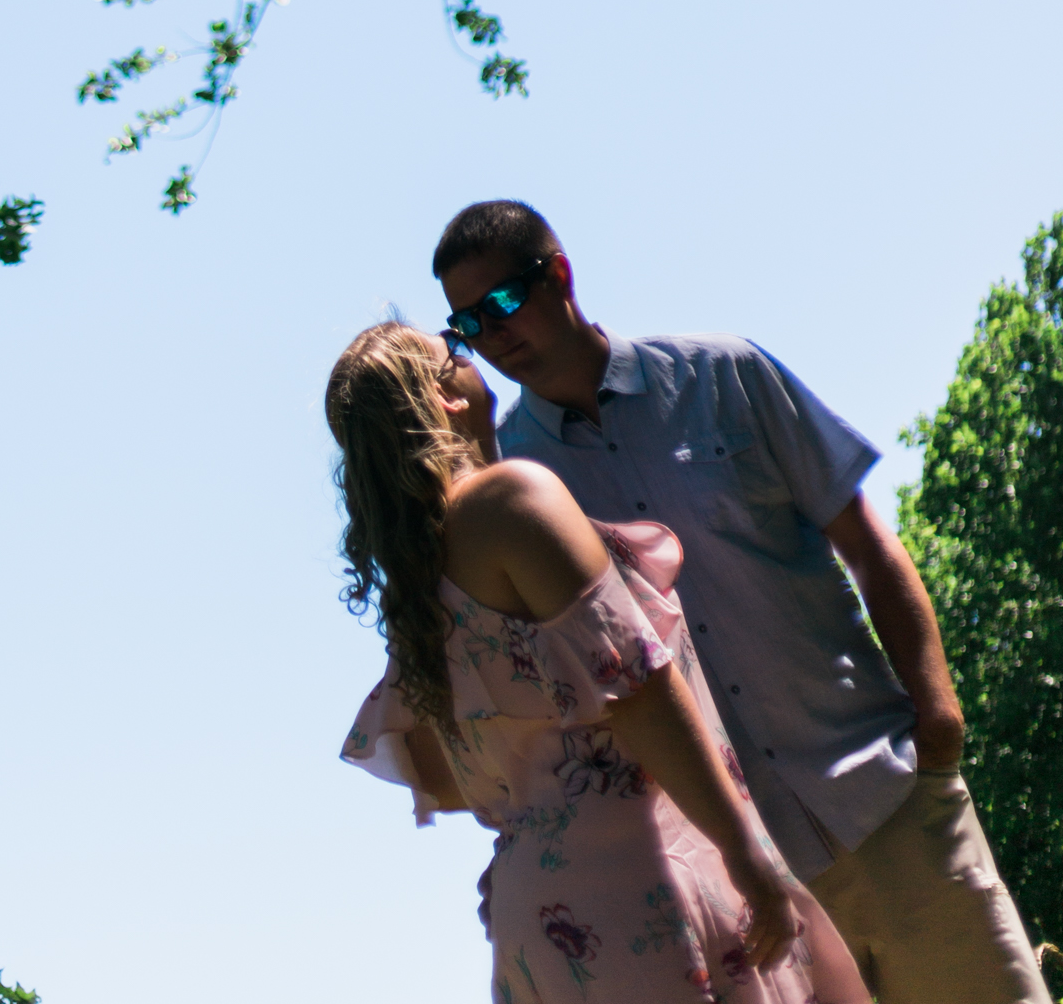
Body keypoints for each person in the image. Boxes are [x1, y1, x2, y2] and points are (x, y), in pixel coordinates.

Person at [432, 198, 1050, 1004]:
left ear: (559, 274)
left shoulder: (725, 375)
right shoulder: (521, 497)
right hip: (748, 884)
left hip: (887, 801)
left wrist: (937, 718)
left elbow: (867, 542)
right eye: (468, 323)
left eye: (504, 302)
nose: (493, 332)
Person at [328, 318, 868, 1002]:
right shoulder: (513, 502)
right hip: (648, 879)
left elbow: (445, 779)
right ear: (447, 398)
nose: (473, 358)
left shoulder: (416, 583)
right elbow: (637, 687)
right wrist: (742, 850)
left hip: (547, 918)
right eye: (455, 351)